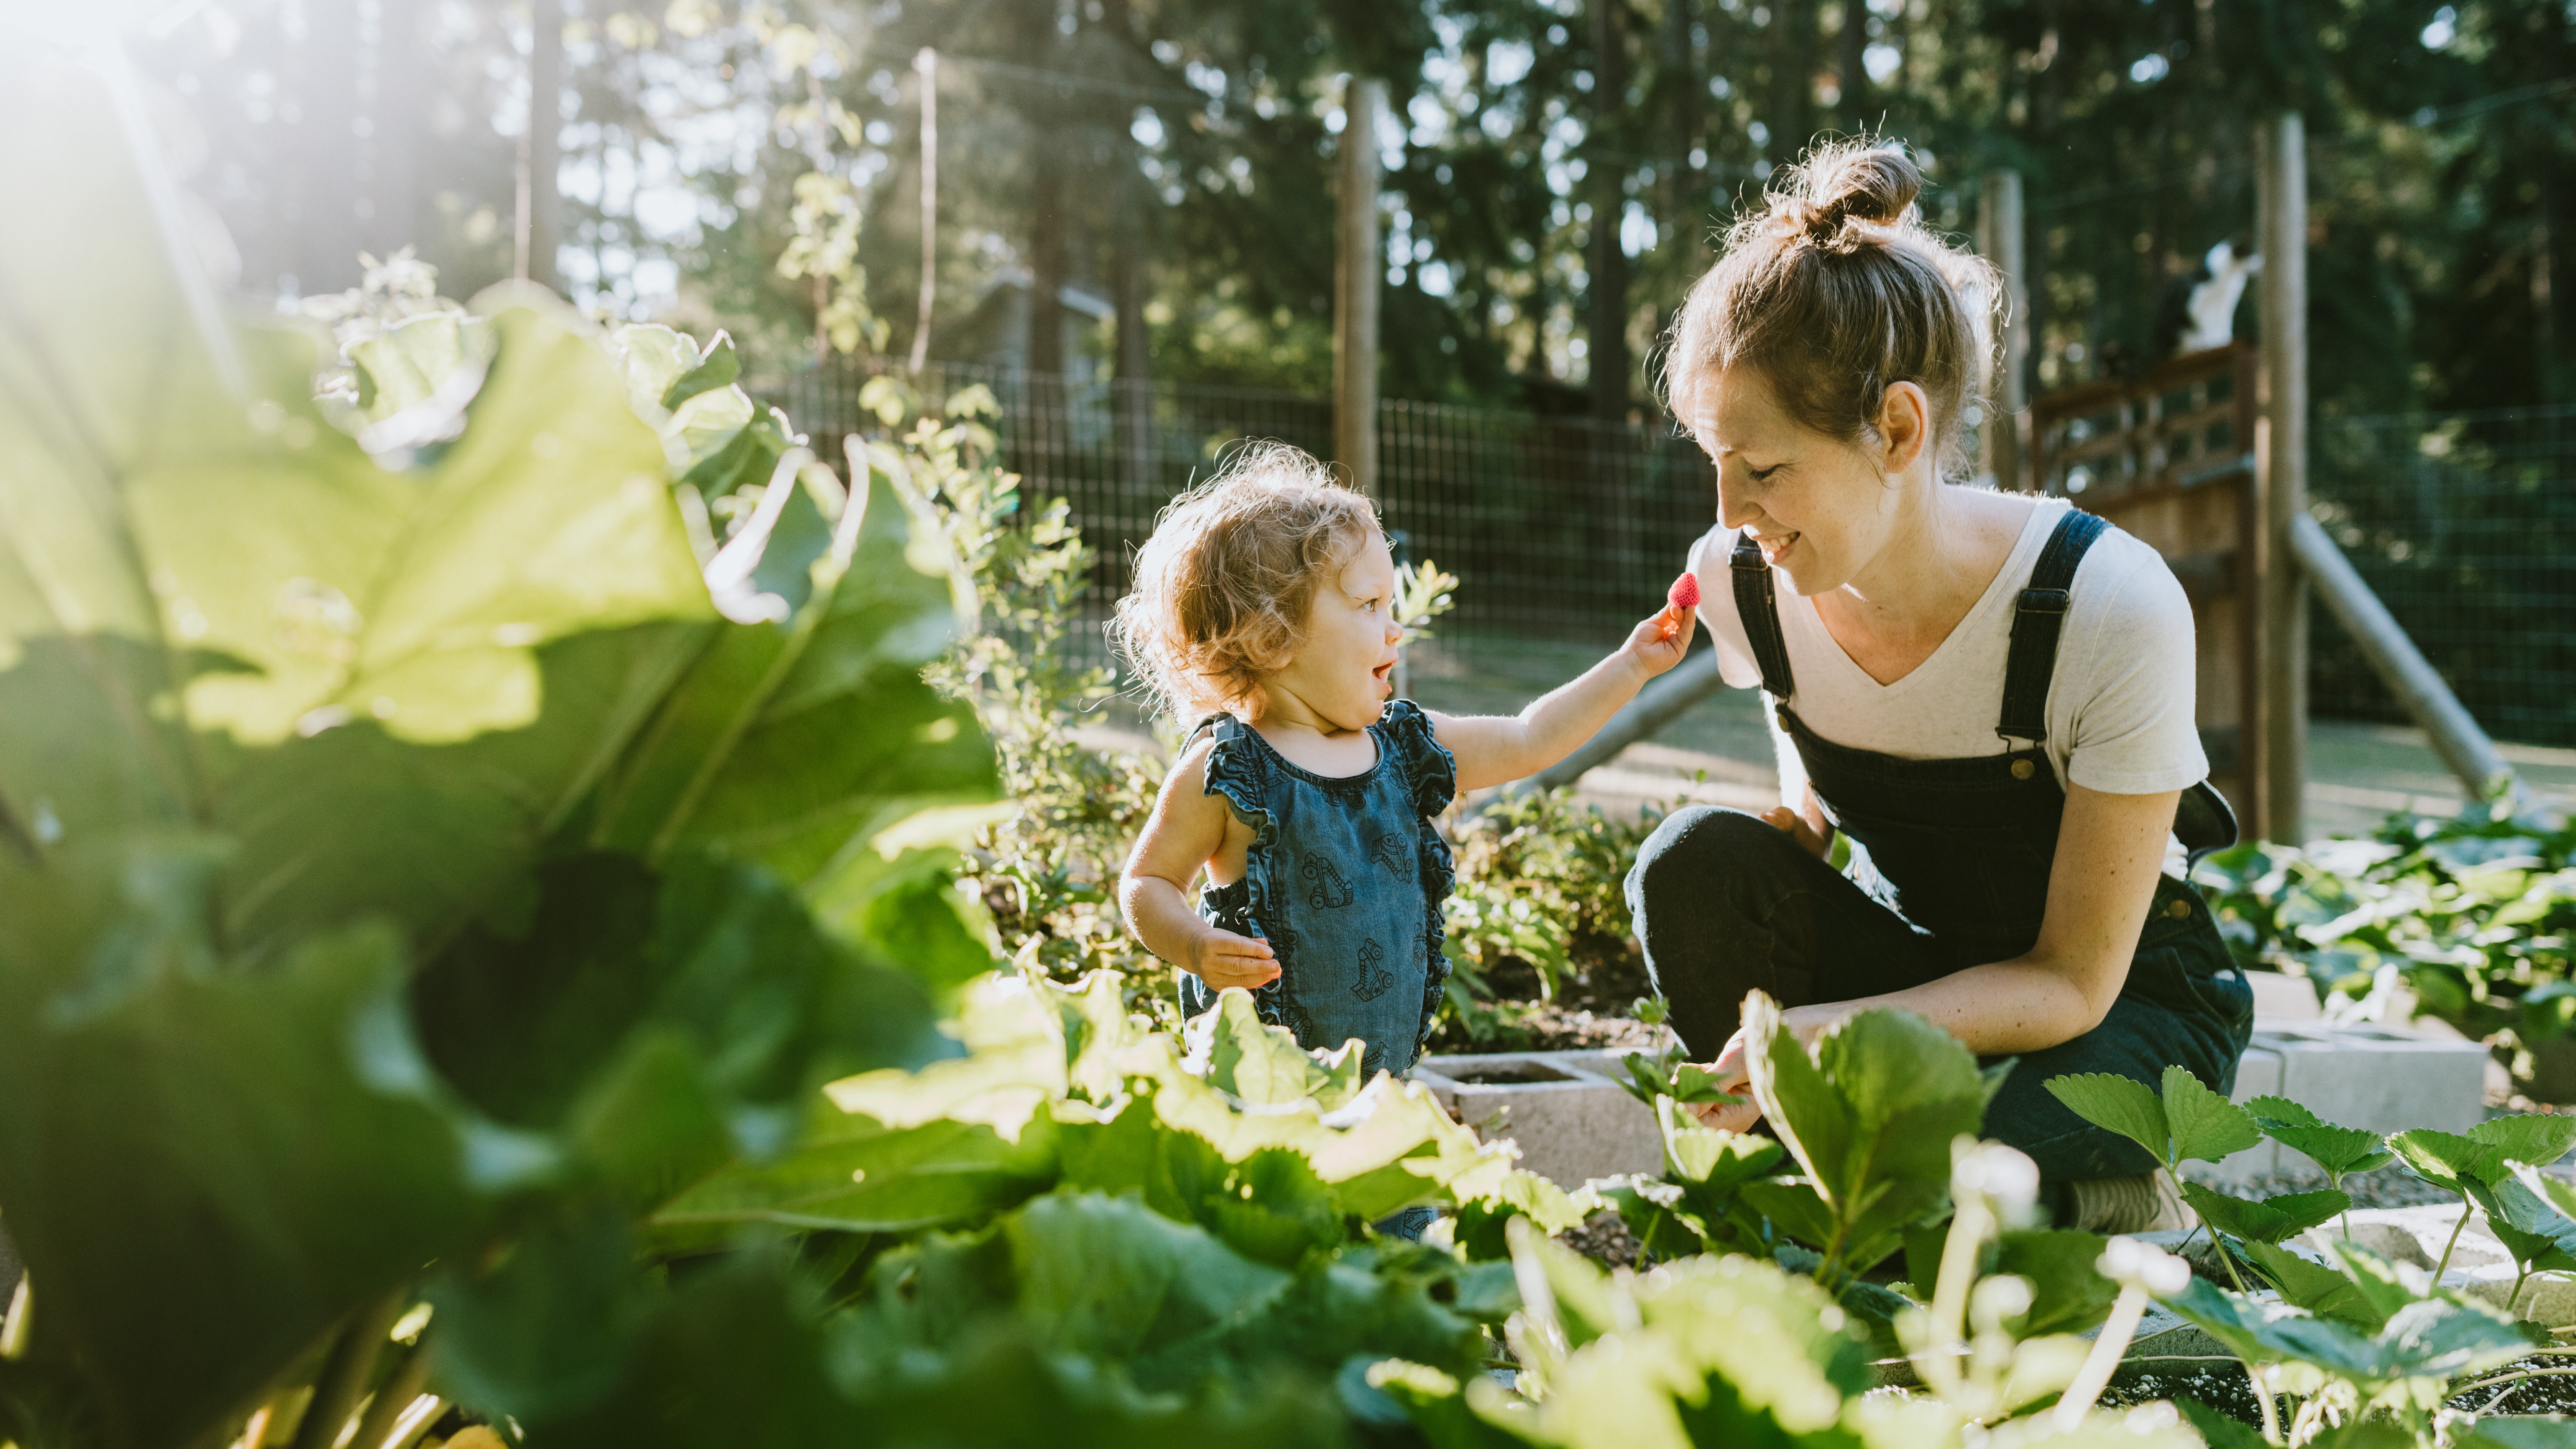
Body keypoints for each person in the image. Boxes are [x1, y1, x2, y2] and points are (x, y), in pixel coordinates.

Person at [1629, 141, 2252, 1234]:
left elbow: (2070, 982)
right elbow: (1815, 747)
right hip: (1930, 970)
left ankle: (2096, 1190)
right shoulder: (1749, 581)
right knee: (1691, 861)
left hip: (2113, 1013)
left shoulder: (2107, 602)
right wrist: (1798, 835)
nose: (1730, 510)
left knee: (1956, 1143)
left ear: (1900, 429)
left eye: (1766, 469)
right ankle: (1846, 1197)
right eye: (1714, 459)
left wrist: (1845, 1032)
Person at [1113, 441, 1696, 1091]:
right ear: (1272, 635)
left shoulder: (1403, 748)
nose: (1394, 631)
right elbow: (1148, 883)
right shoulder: (1229, 771)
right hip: (1258, 1092)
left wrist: (1633, 665)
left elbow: (1531, 738)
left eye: (1392, 607)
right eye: (1369, 607)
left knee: (1401, 1195)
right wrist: (1194, 946)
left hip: (1378, 1092)